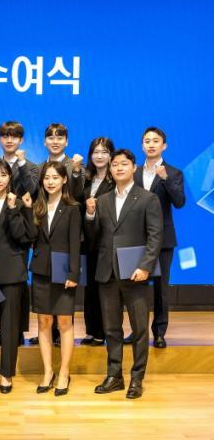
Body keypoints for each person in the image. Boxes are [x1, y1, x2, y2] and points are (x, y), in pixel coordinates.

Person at [85, 149, 163, 399]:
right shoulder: (102, 199)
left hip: (135, 273)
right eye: (115, 164)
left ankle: (137, 378)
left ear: (134, 168)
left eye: (124, 164)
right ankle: (114, 375)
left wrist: (146, 266)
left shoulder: (148, 198)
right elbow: (93, 238)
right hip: (107, 272)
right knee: (111, 328)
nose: (119, 168)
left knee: (139, 329)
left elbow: (155, 236)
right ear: (110, 169)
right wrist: (90, 215)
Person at [0, 159, 36, 395]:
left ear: (10, 177)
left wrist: (13, 210)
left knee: (10, 327)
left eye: (2, 175)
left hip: (12, 273)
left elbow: (25, 237)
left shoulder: (19, 203)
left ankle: (6, 374)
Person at [129, 127, 185, 348]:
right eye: (147, 141)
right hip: (136, 238)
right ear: (142, 145)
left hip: (163, 239)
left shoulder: (173, 173)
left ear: (164, 146)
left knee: (161, 289)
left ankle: (159, 332)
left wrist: (166, 179)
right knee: (135, 288)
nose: (151, 145)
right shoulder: (133, 172)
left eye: (155, 141)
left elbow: (179, 202)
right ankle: (137, 331)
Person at [30, 161, 81, 396]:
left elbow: (75, 243)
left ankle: (64, 372)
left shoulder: (72, 208)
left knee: (64, 322)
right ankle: (48, 371)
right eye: (47, 178)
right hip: (41, 271)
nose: (50, 182)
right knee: (43, 322)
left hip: (63, 272)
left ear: (64, 179)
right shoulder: (37, 207)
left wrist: (73, 273)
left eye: (55, 177)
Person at [0, 121, 39, 343]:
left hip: (21, 228)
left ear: (21, 140)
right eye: (5, 136)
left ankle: (18, 329)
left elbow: (32, 190)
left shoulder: (30, 166)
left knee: (18, 281)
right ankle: (3, 328)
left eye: (14, 136)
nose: (9, 140)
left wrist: (21, 163)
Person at [80, 137, 116, 347]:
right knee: (90, 289)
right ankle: (92, 330)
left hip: (106, 242)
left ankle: (103, 332)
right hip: (88, 242)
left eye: (104, 152)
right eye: (96, 152)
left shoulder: (115, 180)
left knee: (105, 289)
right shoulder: (86, 178)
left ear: (111, 155)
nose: (99, 156)